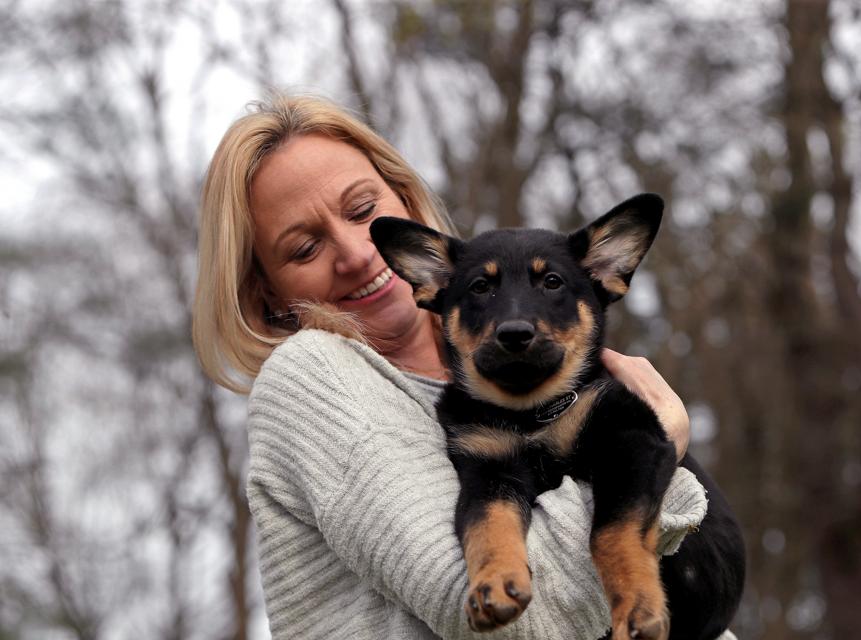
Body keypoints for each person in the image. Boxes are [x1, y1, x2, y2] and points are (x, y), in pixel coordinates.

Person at [192, 94, 715, 640]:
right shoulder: (308, 381)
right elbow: (511, 625)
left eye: (363, 210)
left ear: (406, 200)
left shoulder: (505, 381)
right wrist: (666, 453)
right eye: (304, 248)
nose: (354, 253)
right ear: (265, 291)